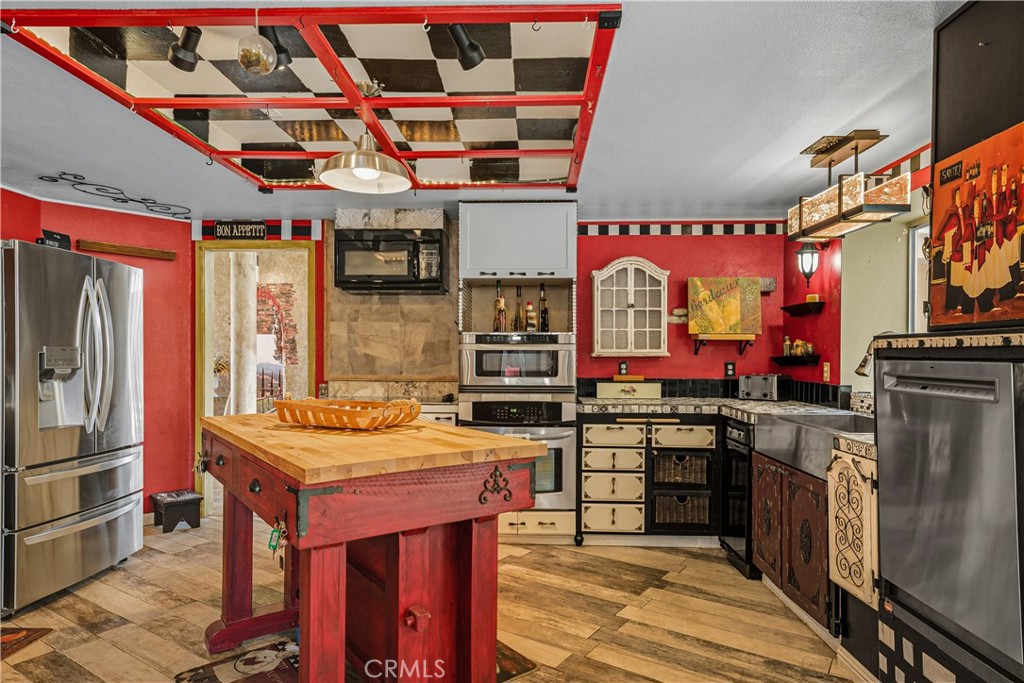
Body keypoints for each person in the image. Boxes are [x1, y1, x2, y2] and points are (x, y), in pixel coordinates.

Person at [937, 185, 967, 313]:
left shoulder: (966, 213)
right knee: (955, 281)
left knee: (965, 279)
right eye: (957, 197)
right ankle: (953, 304)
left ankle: (962, 302)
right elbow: (945, 233)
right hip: (956, 252)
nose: (958, 200)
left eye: (960, 197)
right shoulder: (954, 217)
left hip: (965, 252)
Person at [997, 163, 1021, 300]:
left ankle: (1017, 282)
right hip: (1003, 232)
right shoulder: (1000, 195)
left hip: (1011, 229)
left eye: (1006, 171)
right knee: (1006, 260)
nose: (1004, 175)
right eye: (1003, 172)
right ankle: (1012, 285)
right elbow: (1000, 213)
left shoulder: (1012, 190)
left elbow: (1016, 203)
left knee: (1014, 256)